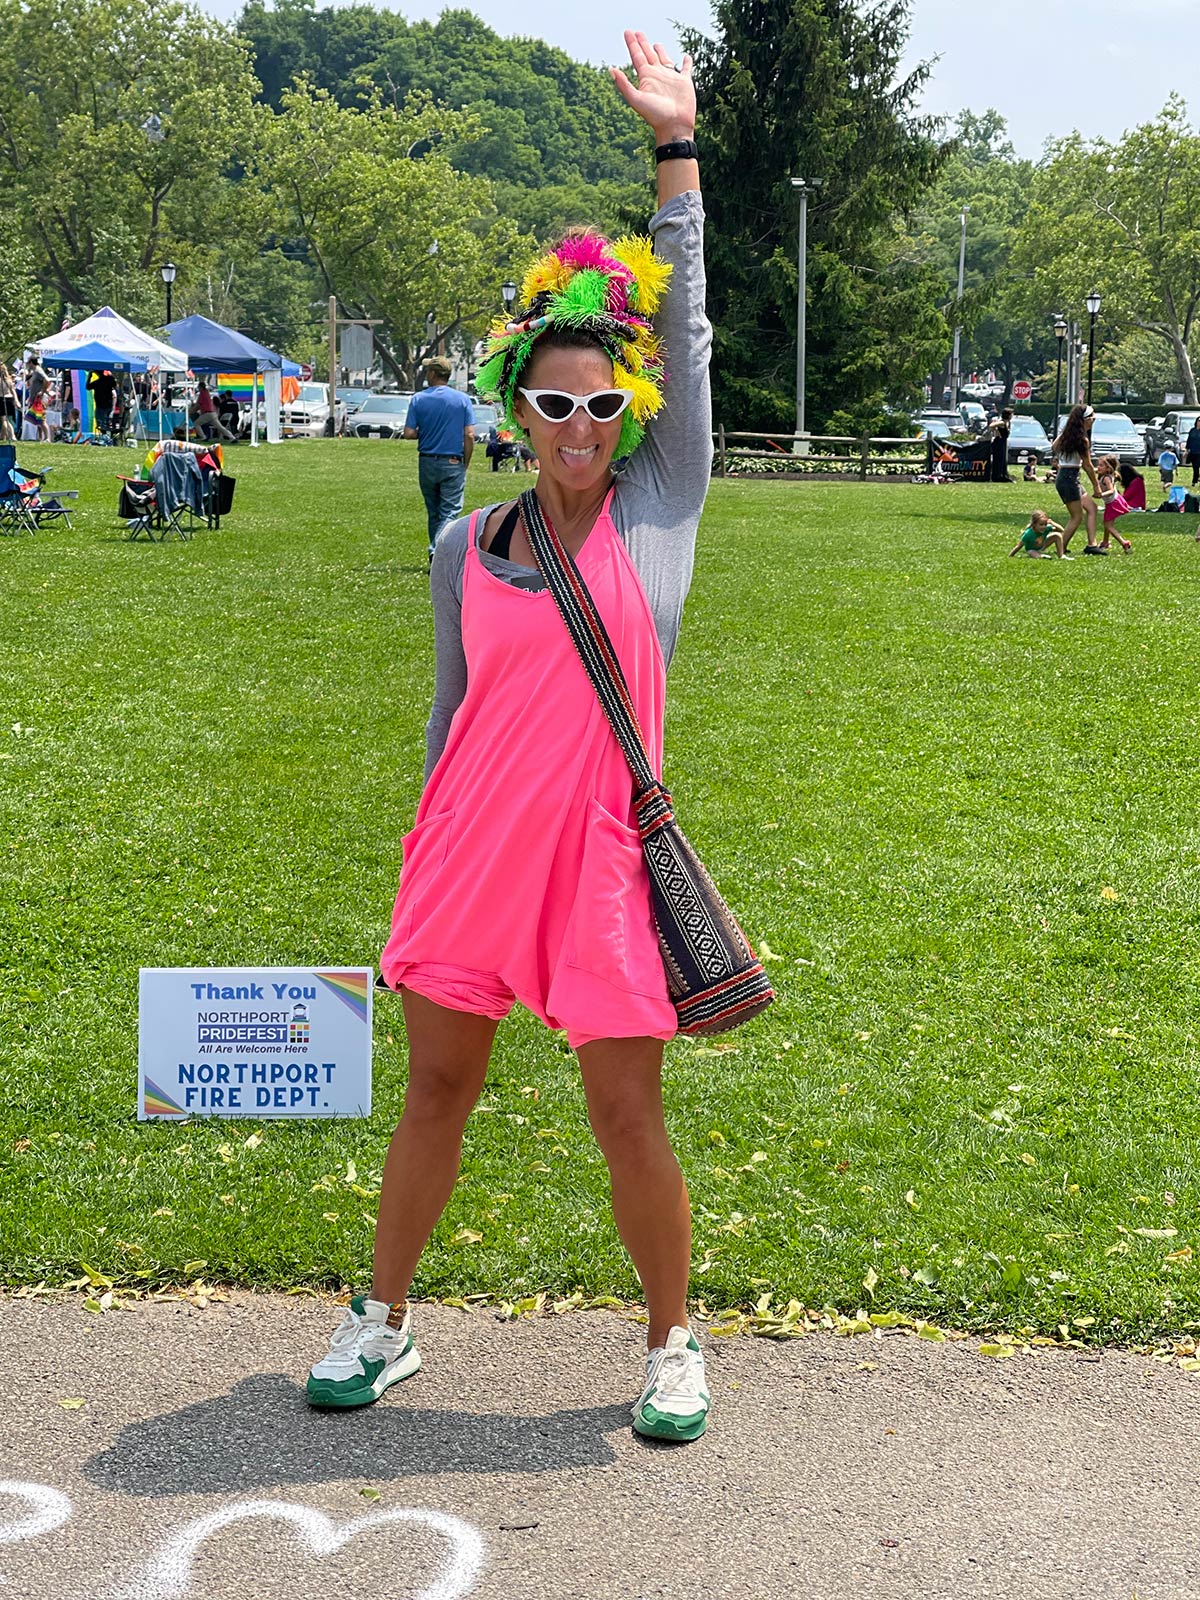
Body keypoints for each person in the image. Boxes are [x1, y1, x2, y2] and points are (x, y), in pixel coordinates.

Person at [306, 29, 715, 1444]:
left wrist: (677, 155)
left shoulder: (661, 522)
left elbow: (695, 331)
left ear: (635, 409)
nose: (583, 422)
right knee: (434, 1088)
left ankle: (672, 1341)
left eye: (608, 401)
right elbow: (447, 713)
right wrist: (420, 848)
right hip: (474, 850)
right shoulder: (464, 544)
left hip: (601, 859)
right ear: (516, 409)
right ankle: (386, 1319)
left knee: (623, 1112)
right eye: (556, 401)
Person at [403, 357, 476, 563]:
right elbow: (469, 434)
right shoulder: (462, 400)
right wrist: (465, 462)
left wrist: (426, 433)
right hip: (453, 461)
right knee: (450, 510)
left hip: (426, 461)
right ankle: (437, 550)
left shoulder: (418, 399)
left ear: (433, 374)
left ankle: (436, 551)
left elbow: (408, 433)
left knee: (434, 510)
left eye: (427, 372)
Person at [1051, 403, 1101, 553]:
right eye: (1092, 417)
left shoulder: (1067, 436)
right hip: (1069, 479)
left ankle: (1092, 545)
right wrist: (1096, 486)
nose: (1094, 419)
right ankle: (1061, 547)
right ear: (1084, 420)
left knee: (1092, 508)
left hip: (1067, 477)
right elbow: (1087, 465)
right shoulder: (1082, 440)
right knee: (1077, 517)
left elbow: (1054, 447)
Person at [1094, 454, 1133, 553]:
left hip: (1113, 503)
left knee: (1108, 525)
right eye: (1098, 465)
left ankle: (1124, 543)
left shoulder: (1106, 478)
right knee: (1107, 523)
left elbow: (1111, 490)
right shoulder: (1106, 474)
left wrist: (1101, 494)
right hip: (1113, 501)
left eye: (1101, 465)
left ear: (1108, 468)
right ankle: (1105, 542)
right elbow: (1093, 470)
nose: (1098, 467)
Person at [87, 369, 118, 436]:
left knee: (100, 422)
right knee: (106, 421)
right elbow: (115, 383)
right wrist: (111, 376)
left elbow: (88, 387)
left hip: (100, 405)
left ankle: (104, 435)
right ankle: (106, 435)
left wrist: (89, 377)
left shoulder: (98, 382)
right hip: (108, 404)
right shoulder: (110, 381)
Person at [989, 407, 1012, 482]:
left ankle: (1003, 474)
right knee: (999, 459)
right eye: (1011, 414)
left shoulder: (1007, 423)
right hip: (999, 442)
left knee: (1003, 459)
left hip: (1003, 442)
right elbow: (991, 426)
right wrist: (996, 432)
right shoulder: (1002, 423)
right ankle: (997, 476)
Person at [0, 362, 16, 442]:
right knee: (8, 420)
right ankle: (6, 436)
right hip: (10, 399)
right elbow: (13, 390)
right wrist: (16, 400)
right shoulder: (9, 380)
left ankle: (7, 436)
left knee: (4, 420)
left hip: (2, 399)